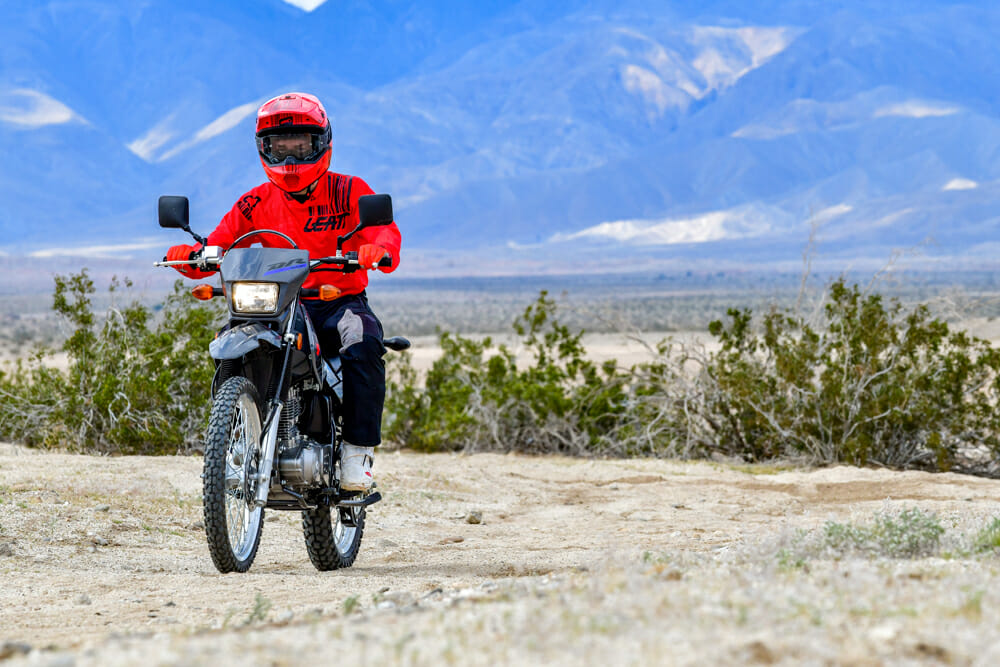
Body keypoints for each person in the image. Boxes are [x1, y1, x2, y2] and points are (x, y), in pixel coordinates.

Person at [165, 92, 401, 492]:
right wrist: (191, 255)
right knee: (228, 341)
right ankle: (237, 433)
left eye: (300, 145)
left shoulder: (347, 190)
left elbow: (384, 229)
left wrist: (377, 248)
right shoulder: (254, 200)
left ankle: (357, 452)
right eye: (280, 146)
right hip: (275, 302)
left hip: (334, 301)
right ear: (264, 148)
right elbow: (221, 243)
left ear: (321, 142)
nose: (290, 157)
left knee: (363, 340)